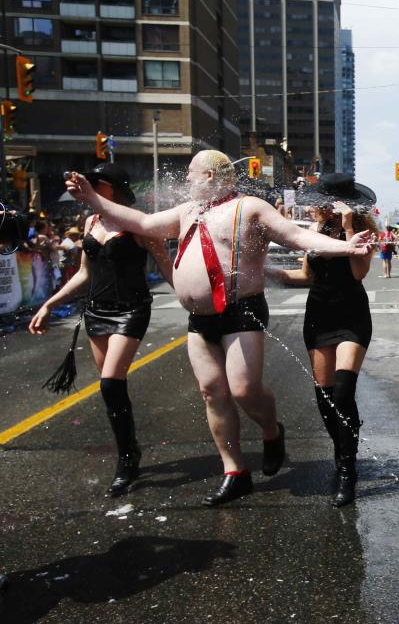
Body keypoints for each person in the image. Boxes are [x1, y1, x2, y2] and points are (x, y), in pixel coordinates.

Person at [63, 150, 374, 507]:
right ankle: (235, 471)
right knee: (213, 392)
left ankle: (272, 433)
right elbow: (143, 224)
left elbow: (295, 236)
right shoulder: (188, 212)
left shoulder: (250, 207)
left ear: (210, 176)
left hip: (241, 311)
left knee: (243, 390)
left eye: (192, 174)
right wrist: (93, 199)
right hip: (199, 320)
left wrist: (345, 245)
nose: (187, 181)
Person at [29, 162, 174, 498]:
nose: (89, 188)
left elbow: (165, 264)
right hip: (97, 312)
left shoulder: (137, 224)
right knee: (113, 392)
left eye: (97, 183)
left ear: (114, 187)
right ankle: (130, 450)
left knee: (110, 382)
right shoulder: (91, 221)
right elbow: (84, 274)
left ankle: (125, 461)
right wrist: (49, 304)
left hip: (131, 310)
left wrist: (190, 296)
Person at [268, 176, 377, 507]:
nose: (315, 205)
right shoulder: (311, 233)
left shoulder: (362, 231)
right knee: (326, 398)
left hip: (351, 315)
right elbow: (308, 276)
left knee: (344, 391)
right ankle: (342, 445)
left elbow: (358, 273)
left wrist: (346, 228)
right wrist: (267, 273)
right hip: (319, 316)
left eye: (321, 200)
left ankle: (347, 469)